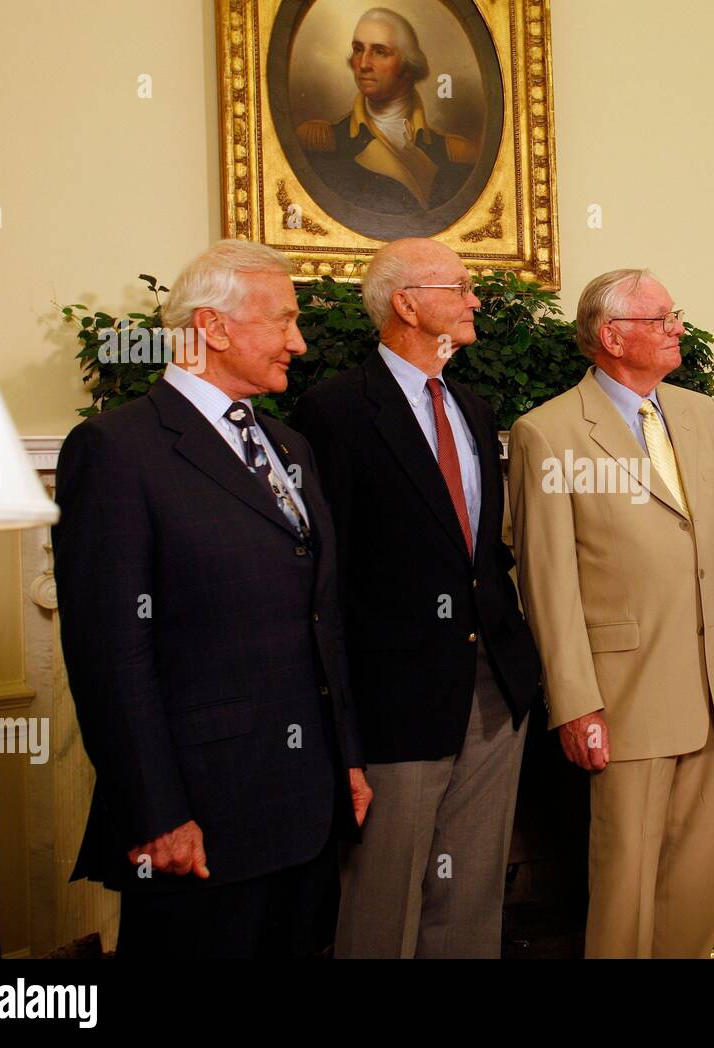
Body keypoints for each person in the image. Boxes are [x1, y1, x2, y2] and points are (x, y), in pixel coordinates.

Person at [53, 240, 371, 958]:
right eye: (283, 321)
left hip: (308, 812)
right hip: (200, 819)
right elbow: (110, 654)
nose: (299, 341)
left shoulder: (291, 447)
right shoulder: (116, 449)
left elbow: (323, 621)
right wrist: (157, 812)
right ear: (214, 327)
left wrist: (345, 759)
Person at [508, 268, 714, 958]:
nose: (677, 327)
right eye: (661, 319)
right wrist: (574, 705)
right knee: (623, 883)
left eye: (673, 315)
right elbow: (547, 583)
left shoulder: (700, 415)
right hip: (621, 698)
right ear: (612, 336)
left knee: (693, 883)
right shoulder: (548, 433)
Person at [292, 238, 540, 958]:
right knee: (382, 904)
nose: (473, 300)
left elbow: (487, 551)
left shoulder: (473, 403)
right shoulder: (333, 412)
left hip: (494, 691)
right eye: (458, 287)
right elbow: (326, 577)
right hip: (391, 701)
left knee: (470, 900)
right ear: (407, 303)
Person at [296, 7, 476, 213]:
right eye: (358, 49)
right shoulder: (322, 142)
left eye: (380, 52)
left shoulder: (453, 153)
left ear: (408, 66)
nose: (363, 64)